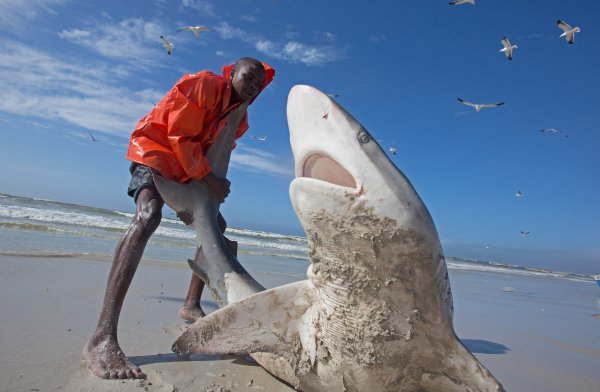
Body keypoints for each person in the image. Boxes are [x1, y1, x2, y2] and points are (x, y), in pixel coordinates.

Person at [82, 57, 275, 380]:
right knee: (148, 216)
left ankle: (190, 303)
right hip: (155, 151)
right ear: (232, 73)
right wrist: (209, 180)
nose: (254, 86)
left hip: (188, 170)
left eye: (259, 84)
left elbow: (216, 154)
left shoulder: (240, 120)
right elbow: (179, 135)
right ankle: (102, 338)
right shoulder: (206, 84)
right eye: (248, 77)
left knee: (216, 227)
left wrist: (207, 196)